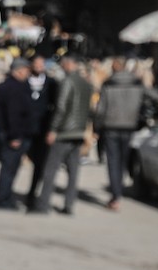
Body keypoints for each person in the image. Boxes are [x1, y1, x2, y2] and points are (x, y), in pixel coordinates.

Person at [31, 55, 93, 215]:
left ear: (68, 64)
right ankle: (69, 204)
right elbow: (89, 109)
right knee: (73, 171)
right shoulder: (86, 84)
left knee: (50, 168)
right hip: (78, 131)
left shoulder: (67, 82)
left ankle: (43, 204)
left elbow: (61, 107)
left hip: (64, 132)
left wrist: (53, 129)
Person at [95, 56, 146, 211]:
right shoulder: (137, 83)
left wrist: (96, 127)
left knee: (113, 161)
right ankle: (118, 190)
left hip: (111, 127)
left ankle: (116, 195)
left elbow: (101, 109)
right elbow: (153, 95)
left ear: (115, 67)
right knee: (123, 160)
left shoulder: (109, 83)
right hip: (129, 126)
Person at [0, 57, 36, 210]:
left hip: (7, 132)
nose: (28, 73)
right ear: (18, 70)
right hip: (12, 134)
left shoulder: (8, 86)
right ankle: (3, 200)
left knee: (10, 168)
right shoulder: (13, 88)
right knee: (9, 168)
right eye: (26, 70)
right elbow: (13, 114)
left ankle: (6, 197)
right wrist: (15, 136)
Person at [23, 55, 58, 209]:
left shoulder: (52, 84)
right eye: (35, 63)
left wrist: (52, 129)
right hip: (24, 130)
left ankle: (32, 195)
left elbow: (56, 106)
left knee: (39, 165)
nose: (38, 66)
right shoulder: (23, 82)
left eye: (41, 64)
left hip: (42, 131)